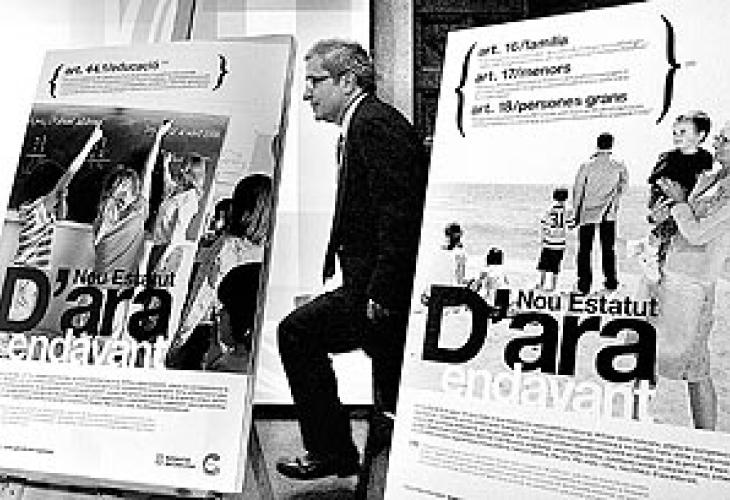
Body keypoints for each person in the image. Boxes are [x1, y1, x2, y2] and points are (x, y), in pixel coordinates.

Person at [276, 39, 428, 480]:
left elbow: (400, 214)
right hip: (371, 287)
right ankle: (351, 460)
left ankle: (336, 454)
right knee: (387, 385)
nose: (307, 93)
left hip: (380, 292)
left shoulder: (374, 126)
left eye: (314, 81)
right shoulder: (364, 123)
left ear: (347, 81)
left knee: (297, 333)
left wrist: (383, 288)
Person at [650, 121, 730, 430]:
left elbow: (698, 234)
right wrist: (661, 215)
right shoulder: (710, 178)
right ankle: (638, 422)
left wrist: (681, 203)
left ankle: (705, 439)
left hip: (695, 283)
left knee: (696, 367)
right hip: (671, 272)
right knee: (649, 350)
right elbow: (683, 223)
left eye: (725, 139)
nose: (716, 142)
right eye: (718, 137)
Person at [9, 124, 103, 321]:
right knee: (19, 319)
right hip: (29, 272)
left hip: (27, 272)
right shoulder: (40, 207)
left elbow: (61, 215)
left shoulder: (31, 208)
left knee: (18, 320)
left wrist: (63, 197)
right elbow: (69, 175)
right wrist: (91, 142)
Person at [171, 174, 272, 350]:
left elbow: (201, 298)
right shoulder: (268, 252)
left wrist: (177, 342)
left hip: (208, 336)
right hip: (241, 343)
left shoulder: (228, 247)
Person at [92, 120, 172, 338]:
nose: (124, 193)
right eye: (121, 188)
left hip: (118, 284)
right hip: (110, 284)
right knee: (106, 332)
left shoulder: (129, 211)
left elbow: (148, 171)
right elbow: (147, 172)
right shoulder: (115, 214)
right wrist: (158, 136)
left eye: (125, 188)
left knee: (110, 332)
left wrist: (158, 137)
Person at [645, 111, 713, 278]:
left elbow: (705, 182)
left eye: (683, 132)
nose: (677, 136)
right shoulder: (668, 157)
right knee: (666, 231)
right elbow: (656, 182)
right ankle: (650, 254)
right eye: (675, 132)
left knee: (678, 238)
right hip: (667, 200)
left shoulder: (706, 158)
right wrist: (657, 206)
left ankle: (653, 255)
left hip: (689, 203)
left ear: (700, 135)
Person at [572, 132, 628, 294]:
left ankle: (584, 285)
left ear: (597, 144)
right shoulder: (619, 165)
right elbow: (624, 187)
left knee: (584, 250)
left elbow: (578, 191)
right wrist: (614, 201)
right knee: (608, 249)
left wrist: (575, 213)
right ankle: (611, 282)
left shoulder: (587, 165)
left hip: (587, 213)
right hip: (608, 213)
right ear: (612, 145)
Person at [147, 151, 205, 275]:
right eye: (182, 165)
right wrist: (165, 164)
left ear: (193, 173)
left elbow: (178, 232)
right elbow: (167, 183)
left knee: (155, 285)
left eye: (186, 168)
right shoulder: (177, 190)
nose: (181, 170)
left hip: (169, 250)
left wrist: (163, 259)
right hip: (159, 246)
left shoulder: (189, 199)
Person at [536, 188, 575, 291]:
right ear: (566, 198)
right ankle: (553, 287)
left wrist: (542, 238)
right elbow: (571, 226)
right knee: (555, 266)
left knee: (543, 265)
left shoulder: (549, 209)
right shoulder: (568, 210)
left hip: (548, 242)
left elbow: (543, 225)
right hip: (560, 243)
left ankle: (541, 284)